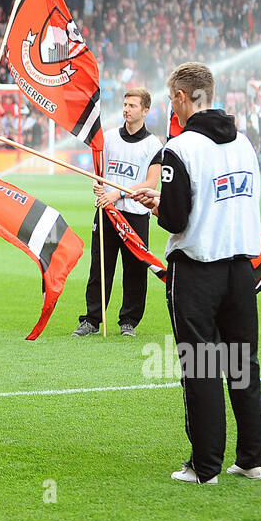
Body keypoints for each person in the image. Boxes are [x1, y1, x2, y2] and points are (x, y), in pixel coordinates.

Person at [132, 62, 261, 485]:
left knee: (202, 366)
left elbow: (175, 219)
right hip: (241, 271)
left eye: (173, 97)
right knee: (243, 363)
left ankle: (205, 465)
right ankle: (251, 459)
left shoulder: (181, 147)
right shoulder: (245, 142)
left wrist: (158, 202)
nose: (172, 105)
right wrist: (168, 196)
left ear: (183, 98)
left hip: (198, 270)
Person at [74, 87, 162, 337]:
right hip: (106, 212)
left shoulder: (153, 144)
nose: (126, 109)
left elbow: (150, 184)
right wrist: (99, 184)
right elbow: (101, 172)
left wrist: (119, 193)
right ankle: (92, 319)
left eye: (132, 105)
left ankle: (129, 321)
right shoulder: (109, 137)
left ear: (145, 110)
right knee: (100, 268)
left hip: (134, 214)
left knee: (135, 270)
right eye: (125, 104)